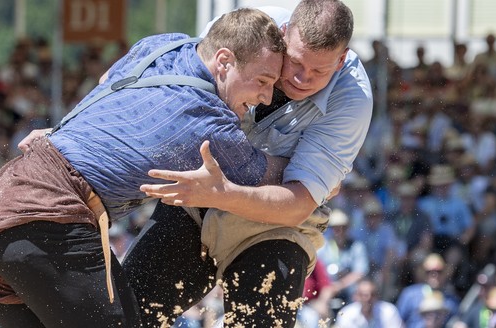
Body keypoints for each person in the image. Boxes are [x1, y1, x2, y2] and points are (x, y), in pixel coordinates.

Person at [0, 8, 287, 328]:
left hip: (2, 202)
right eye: (263, 80)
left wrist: (68, 131)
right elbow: (273, 174)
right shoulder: (213, 125)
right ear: (224, 61)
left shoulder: (164, 45)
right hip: (48, 212)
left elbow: (109, 82)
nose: (267, 95)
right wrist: (325, 165)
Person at [129, 1, 373, 326]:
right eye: (296, 62)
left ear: (341, 60)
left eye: (319, 71)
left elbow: (297, 205)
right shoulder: (239, 30)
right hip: (199, 199)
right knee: (122, 314)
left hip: (276, 224)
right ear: (283, 35)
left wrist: (222, 193)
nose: (302, 78)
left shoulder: (352, 99)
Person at [334, 279, 403, 328]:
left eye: (372, 294)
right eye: (362, 295)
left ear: (377, 296)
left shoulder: (389, 311)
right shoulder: (346, 314)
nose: (367, 298)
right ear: (355, 296)